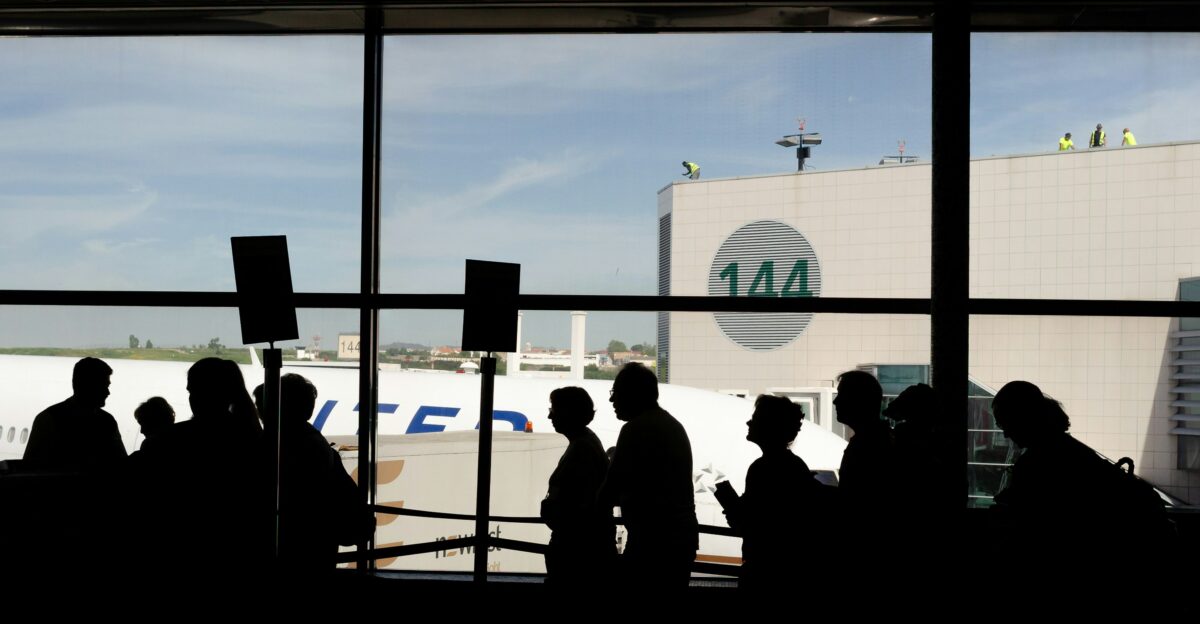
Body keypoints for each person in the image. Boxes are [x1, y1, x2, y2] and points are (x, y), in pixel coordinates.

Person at [255, 374, 366, 578]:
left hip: (295, 553)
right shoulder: (315, 444)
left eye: (260, 406)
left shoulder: (283, 446)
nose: (258, 412)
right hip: (316, 550)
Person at [599, 363, 698, 590]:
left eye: (616, 393)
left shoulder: (635, 429)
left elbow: (609, 491)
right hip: (679, 539)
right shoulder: (672, 425)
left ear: (633, 394)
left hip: (653, 541)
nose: (612, 401)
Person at [723, 394, 827, 591]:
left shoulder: (763, 468)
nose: (749, 422)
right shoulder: (793, 466)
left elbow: (755, 524)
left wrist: (734, 511)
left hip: (765, 569)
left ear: (768, 426)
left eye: (755, 418)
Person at [540, 386, 617, 589]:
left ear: (568, 413)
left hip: (576, 551)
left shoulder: (582, 449)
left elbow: (580, 505)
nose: (549, 416)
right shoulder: (587, 443)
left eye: (554, 410)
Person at [23, 357, 126, 473]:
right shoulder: (106, 421)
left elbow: (28, 467)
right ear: (87, 386)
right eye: (103, 386)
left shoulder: (48, 418)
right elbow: (121, 463)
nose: (108, 392)